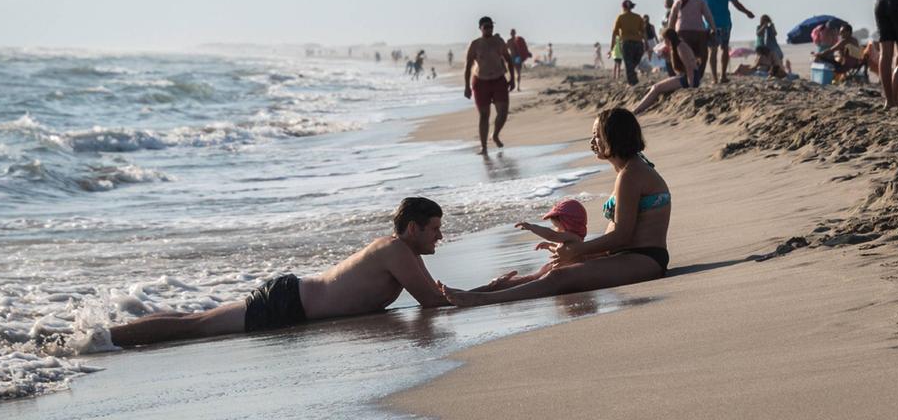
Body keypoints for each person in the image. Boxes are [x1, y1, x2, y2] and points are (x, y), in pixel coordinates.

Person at [109, 198, 450, 346]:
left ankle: (108, 334)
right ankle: (105, 339)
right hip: (287, 304)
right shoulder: (393, 250)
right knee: (193, 327)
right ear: (411, 228)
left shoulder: (404, 250)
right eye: (434, 228)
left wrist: (494, 288)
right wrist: (498, 293)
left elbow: (435, 295)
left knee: (193, 320)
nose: (440, 235)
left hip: (291, 300)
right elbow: (433, 301)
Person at [442, 108, 670, 306]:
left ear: (612, 137)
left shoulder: (631, 174)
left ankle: (482, 300)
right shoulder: (628, 169)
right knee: (547, 270)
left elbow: (622, 235)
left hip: (644, 258)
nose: (592, 142)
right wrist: (575, 250)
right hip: (626, 254)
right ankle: (482, 291)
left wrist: (577, 249)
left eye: (596, 135)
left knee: (559, 277)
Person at [465, 200, 589, 292]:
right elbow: (561, 252)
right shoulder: (568, 239)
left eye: (556, 225)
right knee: (523, 279)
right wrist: (550, 246)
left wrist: (532, 227)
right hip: (547, 272)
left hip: (554, 276)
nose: (555, 229)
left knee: (522, 282)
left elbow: (551, 235)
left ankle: (484, 290)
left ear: (568, 222)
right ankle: (484, 289)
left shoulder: (572, 237)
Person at [463, 16, 515, 154]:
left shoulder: (499, 42)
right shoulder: (475, 44)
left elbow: (509, 60)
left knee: (503, 113)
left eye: (491, 26)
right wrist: (467, 86)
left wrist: (513, 79)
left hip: (499, 80)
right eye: (486, 26)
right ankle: (484, 147)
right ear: (480, 28)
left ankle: (495, 134)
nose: (489, 29)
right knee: (484, 115)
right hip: (480, 82)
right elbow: (468, 67)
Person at [699, 0, 756, 83]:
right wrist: (747, 12)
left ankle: (715, 78)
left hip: (710, 24)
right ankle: (723, 75)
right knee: (724, 48)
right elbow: (736, 4)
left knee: (712, 50)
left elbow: (699, 4)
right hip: (724, 22)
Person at [632, 29, 701, 115]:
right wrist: (665, 56)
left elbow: (689, 67)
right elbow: (679, 68)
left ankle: (636, 111)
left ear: (668, 39)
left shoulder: (681, 47)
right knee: (655, 87)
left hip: (690, 78)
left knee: (656, 88)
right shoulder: (677, 46)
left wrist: (691, 86)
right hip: (685, 76)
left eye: (664, 39)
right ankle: (638, 109)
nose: (664, 42)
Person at [668, 0, 717, 84]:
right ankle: (698, 77)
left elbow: (672, 19)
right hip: (699, 32)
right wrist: (713, 28)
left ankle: (685, 76)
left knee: (683, 56)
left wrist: (670, 32)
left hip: (682, 32)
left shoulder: (678, 2)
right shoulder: (700, 1)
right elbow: (708, 16)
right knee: (702, 55)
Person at [611, 0, 646, 86]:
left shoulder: (621, 17)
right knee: (632, 64)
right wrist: (647, 43)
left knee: (629, 64)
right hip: (638, 44)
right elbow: (643, 32)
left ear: (623, 7)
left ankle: (633, 83)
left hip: (627, 44)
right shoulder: (638, 17)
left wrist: (612, 46)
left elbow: (614, 33)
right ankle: (634, 80)